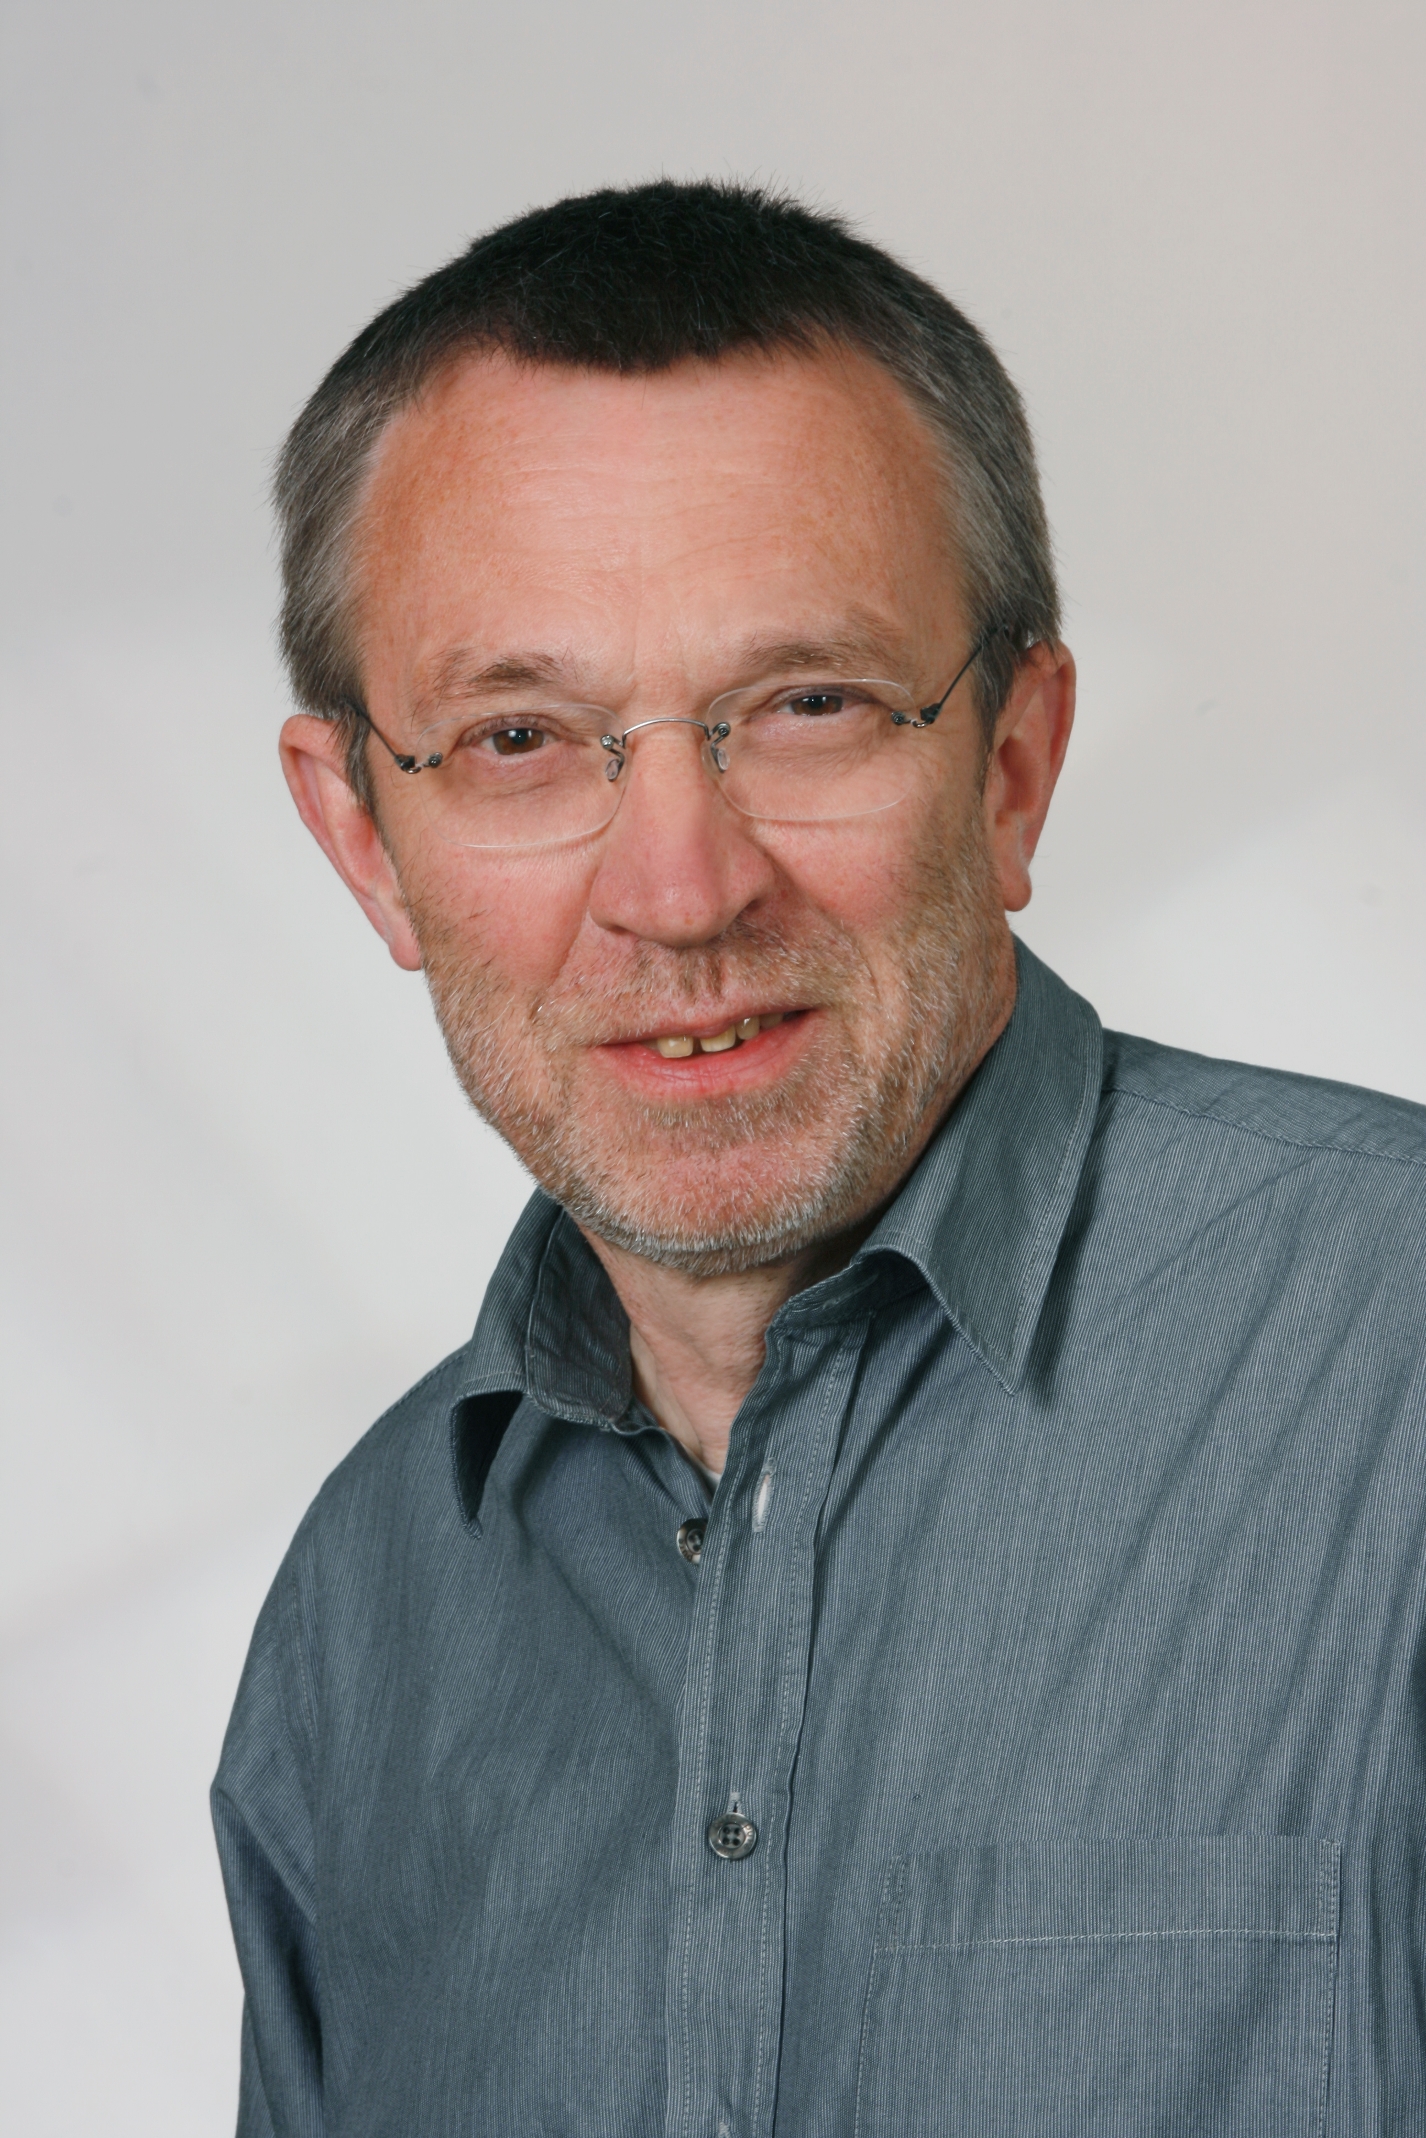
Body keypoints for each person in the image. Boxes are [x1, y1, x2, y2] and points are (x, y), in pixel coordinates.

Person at [212, 180, 1426, 2137]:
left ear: (1010, 765)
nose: (681, 888)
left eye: (804, 706)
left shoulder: (1394, 1366)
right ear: (364, 840)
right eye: (520, 737)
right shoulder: (365, 1617)